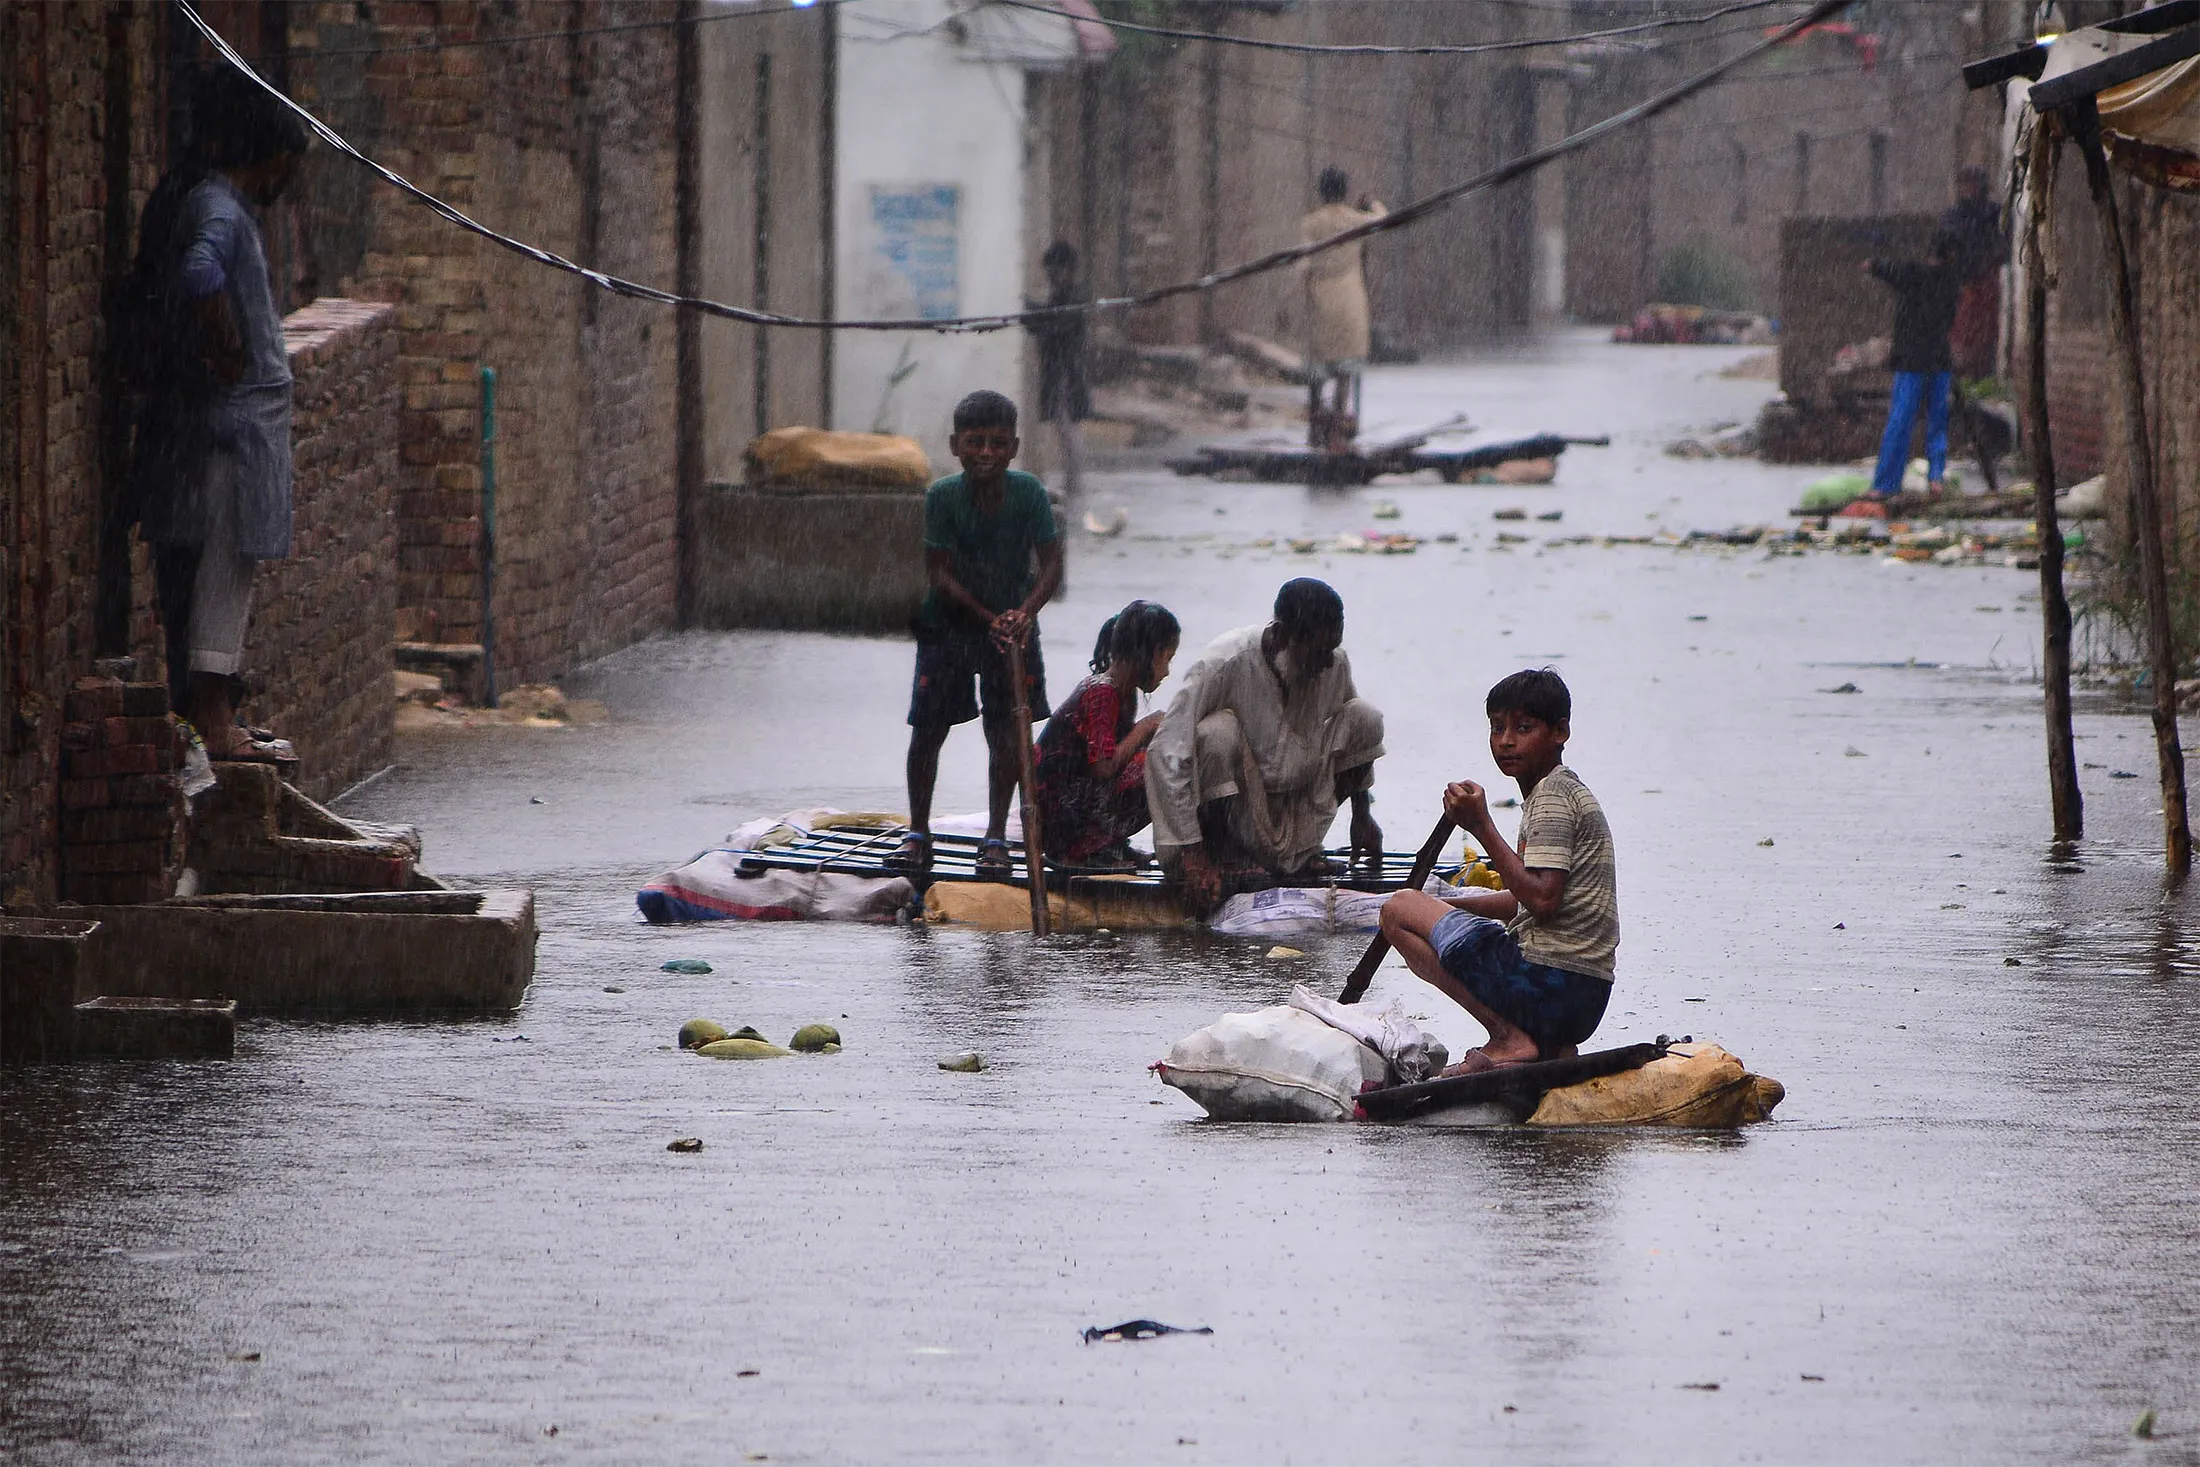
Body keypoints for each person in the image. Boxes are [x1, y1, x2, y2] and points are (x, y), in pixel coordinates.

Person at [128, 64, 307, 762]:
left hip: (232, 429)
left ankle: (214, 709)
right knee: (224, 571)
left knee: (223, 569)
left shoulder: (213, 203)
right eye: (284, 168)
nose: (283, 185)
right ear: (259, 156)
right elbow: (199, 274)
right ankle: (211, 717)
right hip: (235, 434)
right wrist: (223, 335)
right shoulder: (223, 209)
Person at [1377, 669, 1617, 1075]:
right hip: (1580, 1000)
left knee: (1398, 910)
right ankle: (1543, 1045)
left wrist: (1481, 826)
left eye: (1523, 728)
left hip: (1549, 986)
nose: (1506, 741)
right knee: (1417, 908)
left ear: (1560, 732)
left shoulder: (1553, 799)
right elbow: (1523, 899)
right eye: (1497, 728)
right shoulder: (1560, 792)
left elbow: (1541, 899)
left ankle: (1508, 1037)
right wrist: (1442, 907)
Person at [888, 390, 1063, 879]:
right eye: (976, 442)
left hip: (1014, 627)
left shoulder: (1028, 493)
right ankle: (918, 834)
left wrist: (1023, 614)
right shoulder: (942, 497)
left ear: (1013, 448)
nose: (987, 452)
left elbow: (1050, 565)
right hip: (949, 624)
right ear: (955, 446)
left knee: (1008, 732)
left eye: (998, 443)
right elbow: (939, 573)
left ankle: (994, 838)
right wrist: (989, 616)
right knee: (928, 729)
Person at [1146, 578, 1384, 914]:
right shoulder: (1225, 661)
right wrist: (1193, 853)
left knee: (1365, 716)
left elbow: (1357, 739)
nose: (1328, 663)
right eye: (1319, 651)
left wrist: (1363, 815)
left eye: (1332, 649)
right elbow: (1166, 752)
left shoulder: (1333, 663)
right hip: (1229, 818)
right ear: (1285, 636)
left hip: (1293, 815)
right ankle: (1224, 856)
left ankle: (1303, 854)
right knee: (1217, 733)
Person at [1036, 600, 1179, 869]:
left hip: (1078, 798)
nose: (1168, 671)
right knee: (1158, 766)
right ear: (1149, 653)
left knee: (1166, 757)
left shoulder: (1124, 693)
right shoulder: (1102, 692)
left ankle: (1107, 844)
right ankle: (1080, 852)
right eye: (1167, 659)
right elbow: (1103, 768)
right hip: (1059, 815)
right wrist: (1145, 728)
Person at [1860, 229, 1961, 505]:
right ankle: (1936, 479)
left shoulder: (1914, 275)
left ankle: (1885, 484)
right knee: (1937, 422)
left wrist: (1872, 265)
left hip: (1913, 362)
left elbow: (1889, 270)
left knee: (1900, 421)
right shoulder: (1951, 283)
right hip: (1939, 361)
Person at [1295, 167, 1386, 448]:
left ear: (1321, 191)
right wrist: (1373, 204)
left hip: (1321, 300)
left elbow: (1302, 262)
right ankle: (1337, 426)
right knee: (1346, 365)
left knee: (1318, 364)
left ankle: (1314, 426)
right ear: (1344, 191)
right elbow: (1383, 219)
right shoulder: (1354, 220)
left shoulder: (1311, 223)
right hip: (1350, 300)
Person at [1024, 240, 1091, 498]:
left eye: (1054, 269)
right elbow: (1048, 321)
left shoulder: (1071, 298)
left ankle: (1075, 485)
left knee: (1067, 428)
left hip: (1065, 372)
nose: (1051, 275)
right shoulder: (1063, 296)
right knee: (1064, 428)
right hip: (1061, 370)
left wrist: (1031, 315)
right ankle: (1073, 483)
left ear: (1065, 269)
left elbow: (1053, 326)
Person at [1941, 163, 2004, 380]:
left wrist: (1986, 265)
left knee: (1983, 336)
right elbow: (1944, 246)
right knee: (1960, 335)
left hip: (1985, 282)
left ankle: (1982, 374)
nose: (1967, 188)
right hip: (1959, 284)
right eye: (1963, 183)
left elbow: (2001, 244)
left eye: (1971, 183)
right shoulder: (1953, 216)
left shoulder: (1993, 214)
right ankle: (1961, 376)